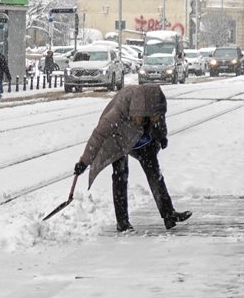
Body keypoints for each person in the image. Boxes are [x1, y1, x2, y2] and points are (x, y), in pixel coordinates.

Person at [73, 84, 192, 232]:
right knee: (120, 175)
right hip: (117, 138)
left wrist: (162, 137)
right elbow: (98, 136)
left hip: (141, 140)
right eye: (137, 117)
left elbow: (160, 121)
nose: (139, 120)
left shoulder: (154, 106)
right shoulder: (118, 111)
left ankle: (169, 214)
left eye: (145, 118)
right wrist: (84, 162)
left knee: (154, 171)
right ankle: (122, 222)